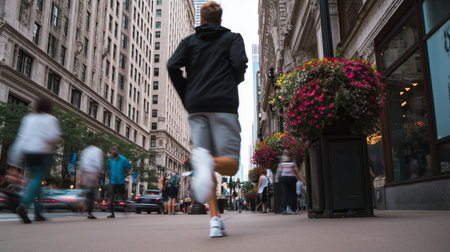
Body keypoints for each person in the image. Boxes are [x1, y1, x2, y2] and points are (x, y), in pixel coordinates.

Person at [167, 1, 247, 238]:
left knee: (205, 160)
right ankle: (207, 169)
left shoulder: (189, 42)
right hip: (223, 105)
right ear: (220, 20)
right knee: (230, 164)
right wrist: (232, 82)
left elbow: (172, 65)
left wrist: (187, 92)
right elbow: (239, 64)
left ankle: (215, 220)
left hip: (197, 106)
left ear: (201, 20)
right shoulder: (232, 38)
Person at [12, 96, 62, 223]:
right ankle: (24, 205)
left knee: (36, 182)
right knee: (38, 179)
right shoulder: (51, 119)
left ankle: (38, 212)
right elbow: (53, 136)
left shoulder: (28, 119)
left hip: (28, 153)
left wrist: (14, 160)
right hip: (43, 152)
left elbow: (21, 137)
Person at [79, 137, 104, 219]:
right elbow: (98, 163)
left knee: (86, 191)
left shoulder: (86, 150)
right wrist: (99, 173)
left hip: (85, 171)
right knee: (91, 193)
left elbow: (82, 162)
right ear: (98, 143)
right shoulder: (98, 151)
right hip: (93, 172)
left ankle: (82, 204)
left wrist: (81, 173)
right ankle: (89, 212)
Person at [106, 144, 131, 218]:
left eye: (115, 149)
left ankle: (125, 204)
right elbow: (108, 168)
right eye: (112, 149)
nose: (114, 151)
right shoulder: (110, 160)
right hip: (112, 181)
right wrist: (108, 174)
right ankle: (112, 213)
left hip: (120, 181)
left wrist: (124, 174)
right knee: (111, 197)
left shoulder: (123, 159)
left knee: (122, 195)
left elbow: (128, 168)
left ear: (118, 151)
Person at [276, 150, 303, 214]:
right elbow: (297, 172)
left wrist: (277, 179)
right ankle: (293, 209)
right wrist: (301, 179)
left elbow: (279, 172)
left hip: (284, 178)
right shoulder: (293, 162)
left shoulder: (281, 163)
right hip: (291, 179)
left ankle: (284, 209)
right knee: (292, 194)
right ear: (289, 156)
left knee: (284, 193)